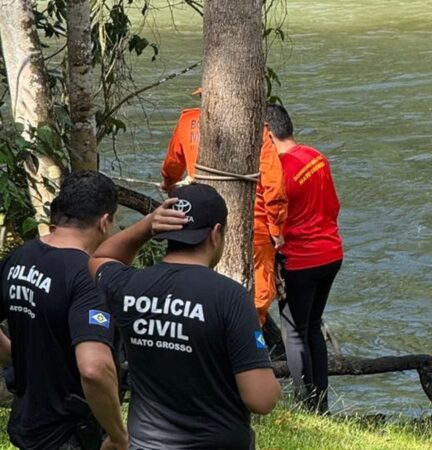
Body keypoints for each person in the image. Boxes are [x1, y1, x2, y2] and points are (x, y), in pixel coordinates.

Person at [88, 184, 282, 450]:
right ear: (216, 234)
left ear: (165, 230)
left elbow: (101, 257)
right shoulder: (230, 297)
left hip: (144, 444)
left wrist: (146, 225)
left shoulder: (129, 286)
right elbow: (261, 399)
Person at [0, 171, 128, 450]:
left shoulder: (20, 257)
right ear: (105, 222)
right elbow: (94, 369)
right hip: (69, 432)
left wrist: (19, 355)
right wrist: (118, 435)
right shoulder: (87, 276)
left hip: (30, 421)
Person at [160, 88, 288, 325]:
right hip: (252, 222)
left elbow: (172, 165)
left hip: (197, 219)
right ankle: (248, 342)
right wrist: (276, 229)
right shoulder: (255, 129)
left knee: (195, 283)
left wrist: (169, 186)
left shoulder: (188, 121)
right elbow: (274, 185)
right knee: (258, 296)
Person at [265, 104, 343, 413]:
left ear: (267, 135)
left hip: (300, 259)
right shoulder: (316, 157)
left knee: (294, 332)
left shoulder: (278, 170)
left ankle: (306, 403)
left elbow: (271, 221)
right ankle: (322, 403)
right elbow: (334, 206)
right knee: (312, 326)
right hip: (331, 253)